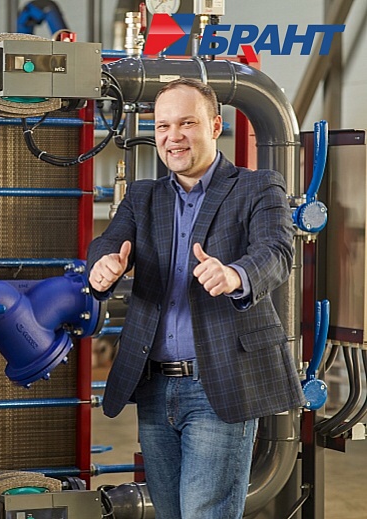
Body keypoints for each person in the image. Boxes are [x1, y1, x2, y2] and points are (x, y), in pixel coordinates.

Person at [87, 78, 305, 519]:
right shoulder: (144, 197)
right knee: (169, 512)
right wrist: (103, 265)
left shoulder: (257, 187)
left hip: (219, 380)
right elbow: (107, 243)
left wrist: (234, 274)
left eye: (187, 123)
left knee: (205, 512)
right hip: (154, 385)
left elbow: (277, 252)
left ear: (215, 126)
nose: (174, 136)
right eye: (163, 126)